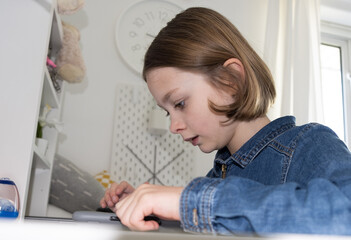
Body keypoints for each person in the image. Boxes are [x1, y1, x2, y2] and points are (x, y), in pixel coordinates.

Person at [100, 7, 351, 235]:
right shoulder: (216, 177)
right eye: (168, 112)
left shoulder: (309, 144)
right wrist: (150, 208)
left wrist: (189, 201)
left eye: (179, 104)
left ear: (230, 80)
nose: (173, 126)